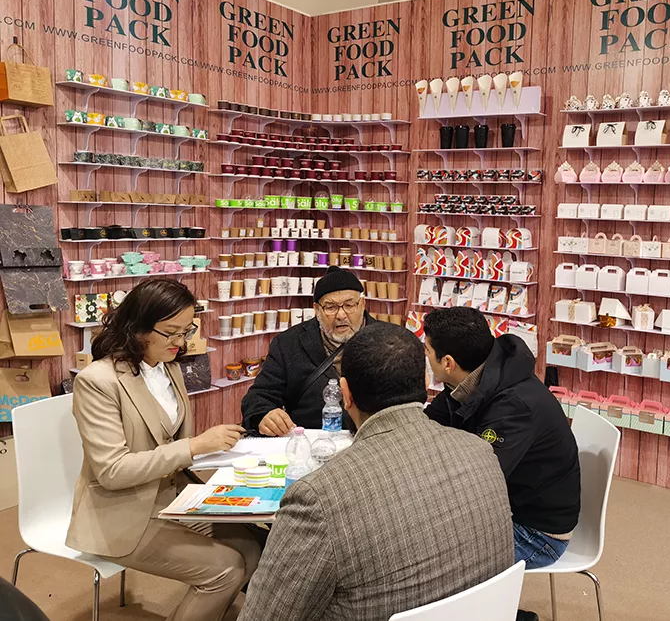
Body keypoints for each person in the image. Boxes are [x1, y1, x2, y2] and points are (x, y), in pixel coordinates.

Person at [239, 323, 514, 621]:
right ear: (425, 382)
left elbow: (265, 615)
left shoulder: (319, 496)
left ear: (345, 394)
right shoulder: (479, 451)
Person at [66, 280, 261, 621]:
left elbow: (169, 441)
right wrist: (194, 446)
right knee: (225, 569)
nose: (181, 342)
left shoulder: (168, 365)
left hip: (173, 496)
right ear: (137, 327)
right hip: (121, 512)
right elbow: (112, 471)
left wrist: (211, 453)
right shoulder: (98, 381)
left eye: (186, 331)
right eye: (171, 333)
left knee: (253, 550)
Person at [423, 307, 581, 572]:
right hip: (507, 508)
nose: (425, 357)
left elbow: (480, 482)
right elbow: (430, 421)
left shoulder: (514, 406)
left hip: (536, 534)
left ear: (448, 363)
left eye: (427, 351)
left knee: (425, 556)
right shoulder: (473, 378)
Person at [241, 266, 377, 435]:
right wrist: (264, 415)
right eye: (331, 307)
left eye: (349, 305)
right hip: (310, 441)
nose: (341, 315)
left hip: (375, 439)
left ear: (362, 304)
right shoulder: (288, 343)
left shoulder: (390, 340)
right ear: (317, 309)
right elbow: (259, 396)